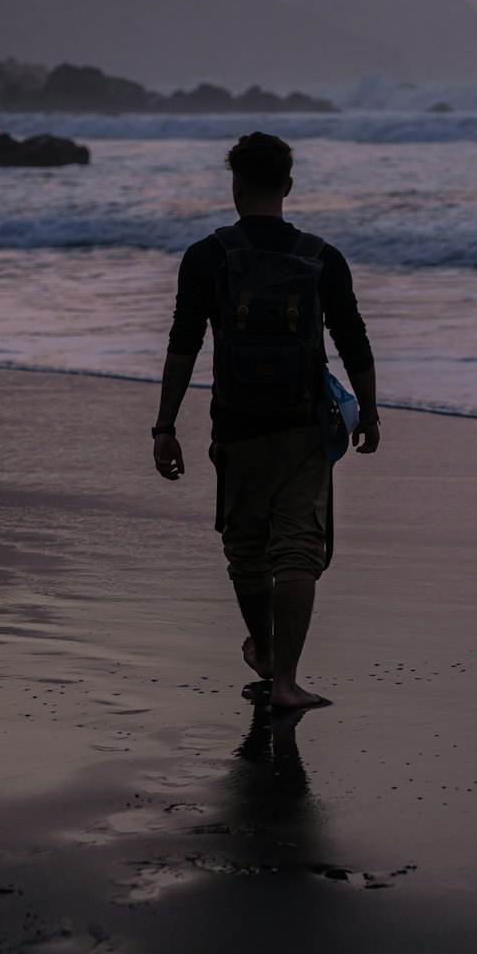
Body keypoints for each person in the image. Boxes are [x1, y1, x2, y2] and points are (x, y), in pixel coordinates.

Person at [152, 131, 379, 710]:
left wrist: (165, 427)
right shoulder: (321, 256)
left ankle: (266, 649)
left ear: (236, 184)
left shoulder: (207, 255)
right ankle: (285, 682)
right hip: (304, 425)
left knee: (247, 548)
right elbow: (352, 339)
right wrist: (370, 411)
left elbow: (184, 343)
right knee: (298, 549)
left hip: (234, 424)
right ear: (289, 184)